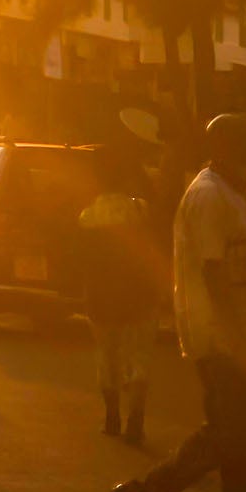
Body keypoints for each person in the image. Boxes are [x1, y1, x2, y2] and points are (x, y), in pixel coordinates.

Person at [112, 114, 246, 492]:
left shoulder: (232, 192)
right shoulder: (210, 195)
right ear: (227, 150)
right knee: (231, 433)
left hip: (241, 334)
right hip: (220, 337)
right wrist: (240, 341)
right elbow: (214, 274)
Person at [78, 141, 163, 443]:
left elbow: (82, 262)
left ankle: (112, 418)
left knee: (107, 356)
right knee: (138, 358)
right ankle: (136, 421)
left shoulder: (87, 217)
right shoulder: (140, 210)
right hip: (139, 295)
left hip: (101, 297)